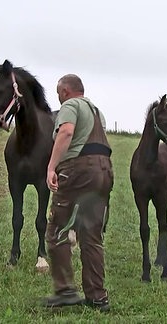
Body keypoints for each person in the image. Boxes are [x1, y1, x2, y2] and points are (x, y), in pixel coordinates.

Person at [44, 74, 113, 312]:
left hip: (78, 170)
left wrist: (52, 167)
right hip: (104, 171)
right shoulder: (97, 112)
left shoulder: (71, 106)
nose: (59, 98)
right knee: (92, 235)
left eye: (58, 94)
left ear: (64, 91)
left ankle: (65, 291)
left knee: (57, 230)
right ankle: (97, 297)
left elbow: (66, 133)